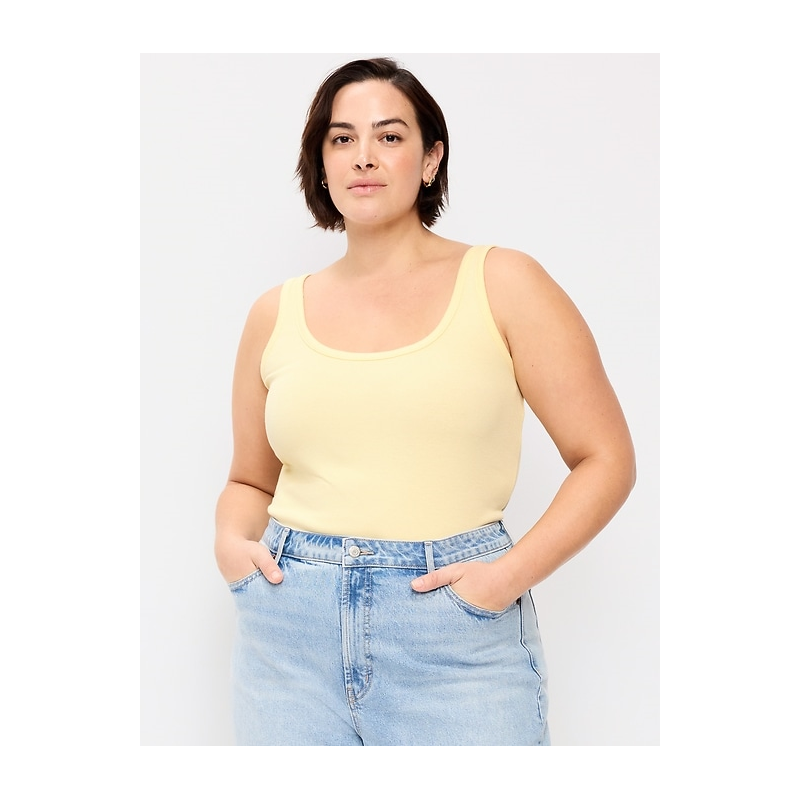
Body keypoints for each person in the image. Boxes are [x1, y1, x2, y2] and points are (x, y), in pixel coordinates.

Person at [215, 56, 636, 747]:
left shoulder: (504, 283)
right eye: (342, 138)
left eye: (390, 136)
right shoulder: (274, 312)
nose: (364, 156)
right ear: (321, 163)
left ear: (431, 158)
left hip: (453, 641)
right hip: (288, 641)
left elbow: (605, 458)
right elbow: (249, 480)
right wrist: (232, 548)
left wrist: (503, 580)